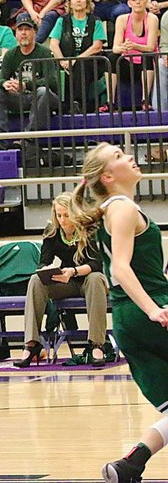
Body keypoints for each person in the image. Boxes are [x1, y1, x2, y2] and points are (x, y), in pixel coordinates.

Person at [69, 143, 168, 483]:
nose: (129, 156)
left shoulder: (114, 208)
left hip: (130, 319)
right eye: (119, 155)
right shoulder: (123, 208)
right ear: (108, 176)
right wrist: (154, 308)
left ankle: (130, 465)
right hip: (148, 312)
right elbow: (121, 271)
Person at [14, 193, 107, 368]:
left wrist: (72, 271)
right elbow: (44, 262)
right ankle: (31, 344)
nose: (62, 220)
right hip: (66, 281)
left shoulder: (90, 229)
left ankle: (96, 344)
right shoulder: (52, 232)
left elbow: (96, 264)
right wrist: (47, 272)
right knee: (35, 280)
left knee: (96, 279)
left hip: (87, 277)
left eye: (66, 215)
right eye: (59, 215)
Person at [0, 13, 59, 152]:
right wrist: (5, 84)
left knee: (42, 91)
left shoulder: (44, 52)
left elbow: (52, 81)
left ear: (34, 32)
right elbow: (1, 78)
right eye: (20, 30)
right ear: (16, 34)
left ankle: (29, 138)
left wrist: (26, 85)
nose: (24, 33)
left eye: (27, 29)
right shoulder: (10, 54)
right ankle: (0, 140)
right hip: (19, 97)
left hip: (43, 98)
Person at [49, 0, 106, 111]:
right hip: (65, 60)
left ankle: (78, 102)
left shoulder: (95, 21)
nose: (78, 0)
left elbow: (97, 46)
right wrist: (62, 61)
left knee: (81, 65)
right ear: (70, 3)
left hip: (89, 61)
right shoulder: (62, 21)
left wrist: (75, 59)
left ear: (87, 1)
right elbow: (53, 43)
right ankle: (60, 105)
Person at [109, 0, 158, 111]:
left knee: (147, 56)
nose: (138, 2)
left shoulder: (152, 19)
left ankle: (145, 101)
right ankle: (110, 102)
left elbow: (151, 47)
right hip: (128, 62)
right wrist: (124, 47)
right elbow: (115, 48)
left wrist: (135, 46)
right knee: (112, 58)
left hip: (146, 64)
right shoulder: (122, 19)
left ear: (146, 2)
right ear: (129, 3)